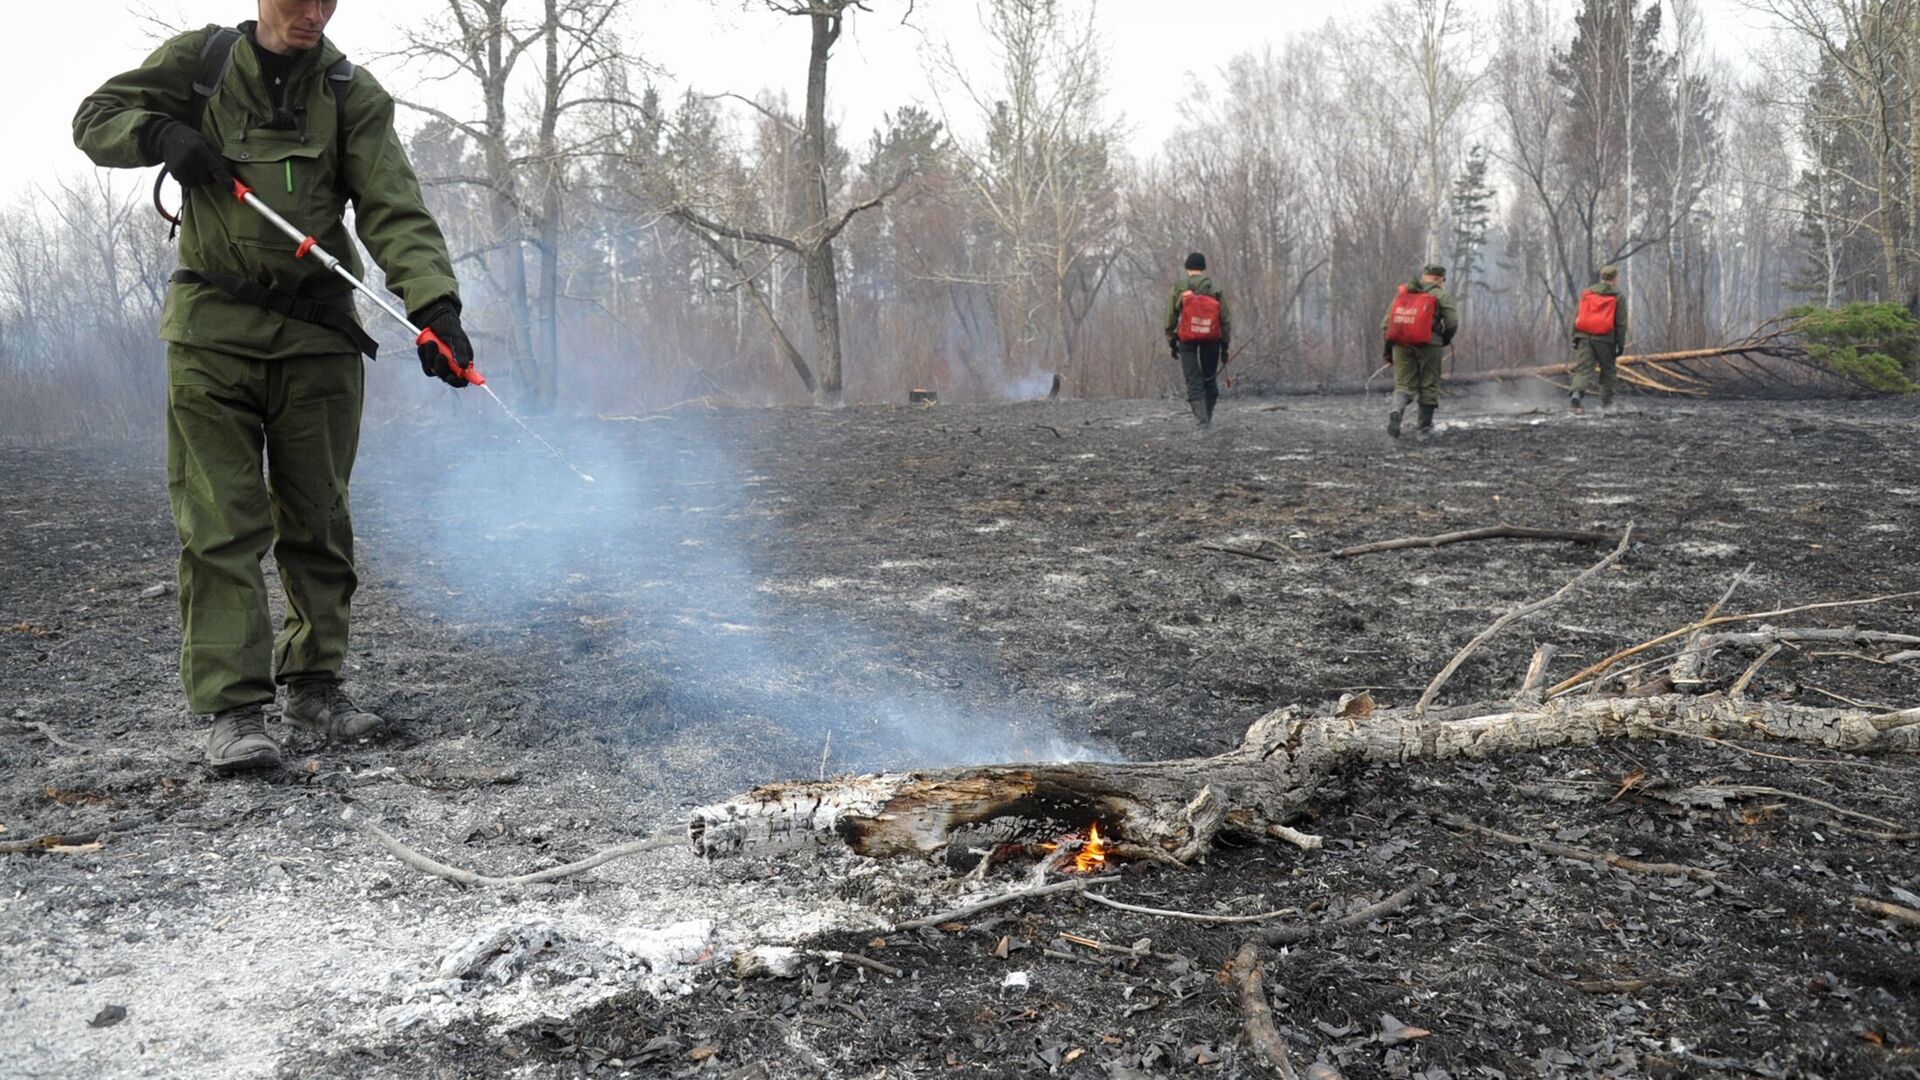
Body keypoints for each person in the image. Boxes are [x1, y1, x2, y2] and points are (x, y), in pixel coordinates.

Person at [73, 0, 476, 772]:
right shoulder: (203, 63)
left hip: (318, 341)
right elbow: (95, 117)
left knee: (319, 519)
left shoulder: (352, 91)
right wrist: (160, 134)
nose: (313, 13)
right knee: (220, 524)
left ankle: (317, 689)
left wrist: (436, 307)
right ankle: (234, 711)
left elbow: (394, 207)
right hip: (209, 337)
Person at [1381, 264, 1459, 439]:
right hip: (1429, 344)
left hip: (1400, 344)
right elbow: (1452, 321)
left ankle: (1396, 411)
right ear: (1441, 279)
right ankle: (1424, 428)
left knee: (1403, 385)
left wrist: (1389, 348)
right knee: (1429, 384)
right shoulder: (1440, 294)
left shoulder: (1403, 294)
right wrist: (1444, 338)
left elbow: (1385, 324)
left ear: (1424, 276)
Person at [1163, 252, 1231, 430]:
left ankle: (1202, 421)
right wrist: (1224, 346)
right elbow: (1225, 319)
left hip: (1186, 339)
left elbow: (1170, 317)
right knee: (1210, 377)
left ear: (1187, 269)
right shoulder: (1215, 287)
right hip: (1212, 338)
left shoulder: (1179, 288)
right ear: (1204, 268)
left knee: (1193, 379)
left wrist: (1172, 341)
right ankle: (1207, 417)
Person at [1570, 264, 1628, 415]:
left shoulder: (1587, 293)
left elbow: (1577, 316)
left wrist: (1575, 336)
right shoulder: (1618, 296)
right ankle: (1605, 405)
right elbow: (1621, 323)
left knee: (1583, 369)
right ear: (1614, 279)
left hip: (1583, 336)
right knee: (1608, 371)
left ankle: (1576, 395)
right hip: (1605, 339)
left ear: (1602, 277)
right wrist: (1620, 344)